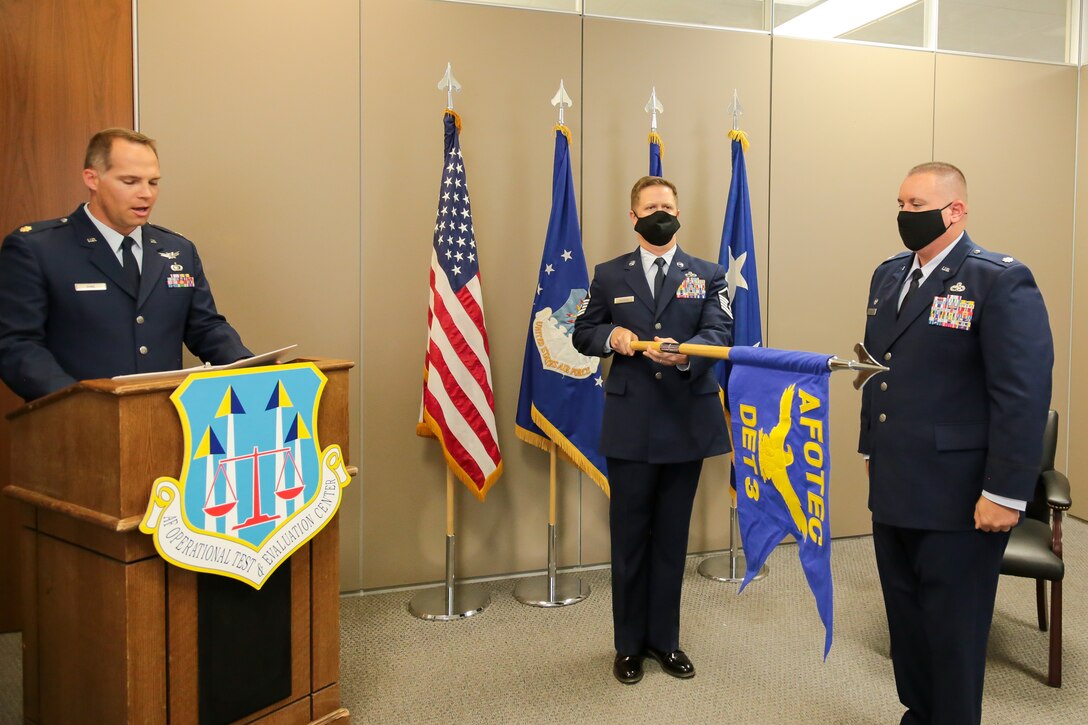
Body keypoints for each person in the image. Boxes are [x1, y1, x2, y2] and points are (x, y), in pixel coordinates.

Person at [859, 162, 1053, 724]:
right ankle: (918, 715)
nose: (904, 215)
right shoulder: (888, 275)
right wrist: (870, 447)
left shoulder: (998, 279)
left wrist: (1006, 492)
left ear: (956, 210)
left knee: (953, 632)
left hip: (960, 494)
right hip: (895, 483)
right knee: (908, 621)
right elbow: (876, 369)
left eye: (917, 206)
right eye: (901, 204)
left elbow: (1021, 395)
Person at [573, 176, 732, 685]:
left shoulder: (708, 274)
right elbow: (582, 332)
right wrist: (612, 335)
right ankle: (628, 646)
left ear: (678, 213)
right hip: (631, 424)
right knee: (629, 539)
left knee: (671, 538)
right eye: (650, 207)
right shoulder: (608, 275)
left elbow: (719, 331)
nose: (660, 214)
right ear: (634, 217)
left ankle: (665, 640)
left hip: (686, 421)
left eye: (667, 206)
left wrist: (687, 355)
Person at [0, 128, 251, 401]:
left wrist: (251, 369)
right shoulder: (39, 248)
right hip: (77, 419)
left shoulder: (178, 250)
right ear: (92, 179)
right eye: (130, 181)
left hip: (163, 417)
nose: (146, 194)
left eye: (153, 182)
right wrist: (76, 400)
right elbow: (16, 344)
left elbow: (205, 327)